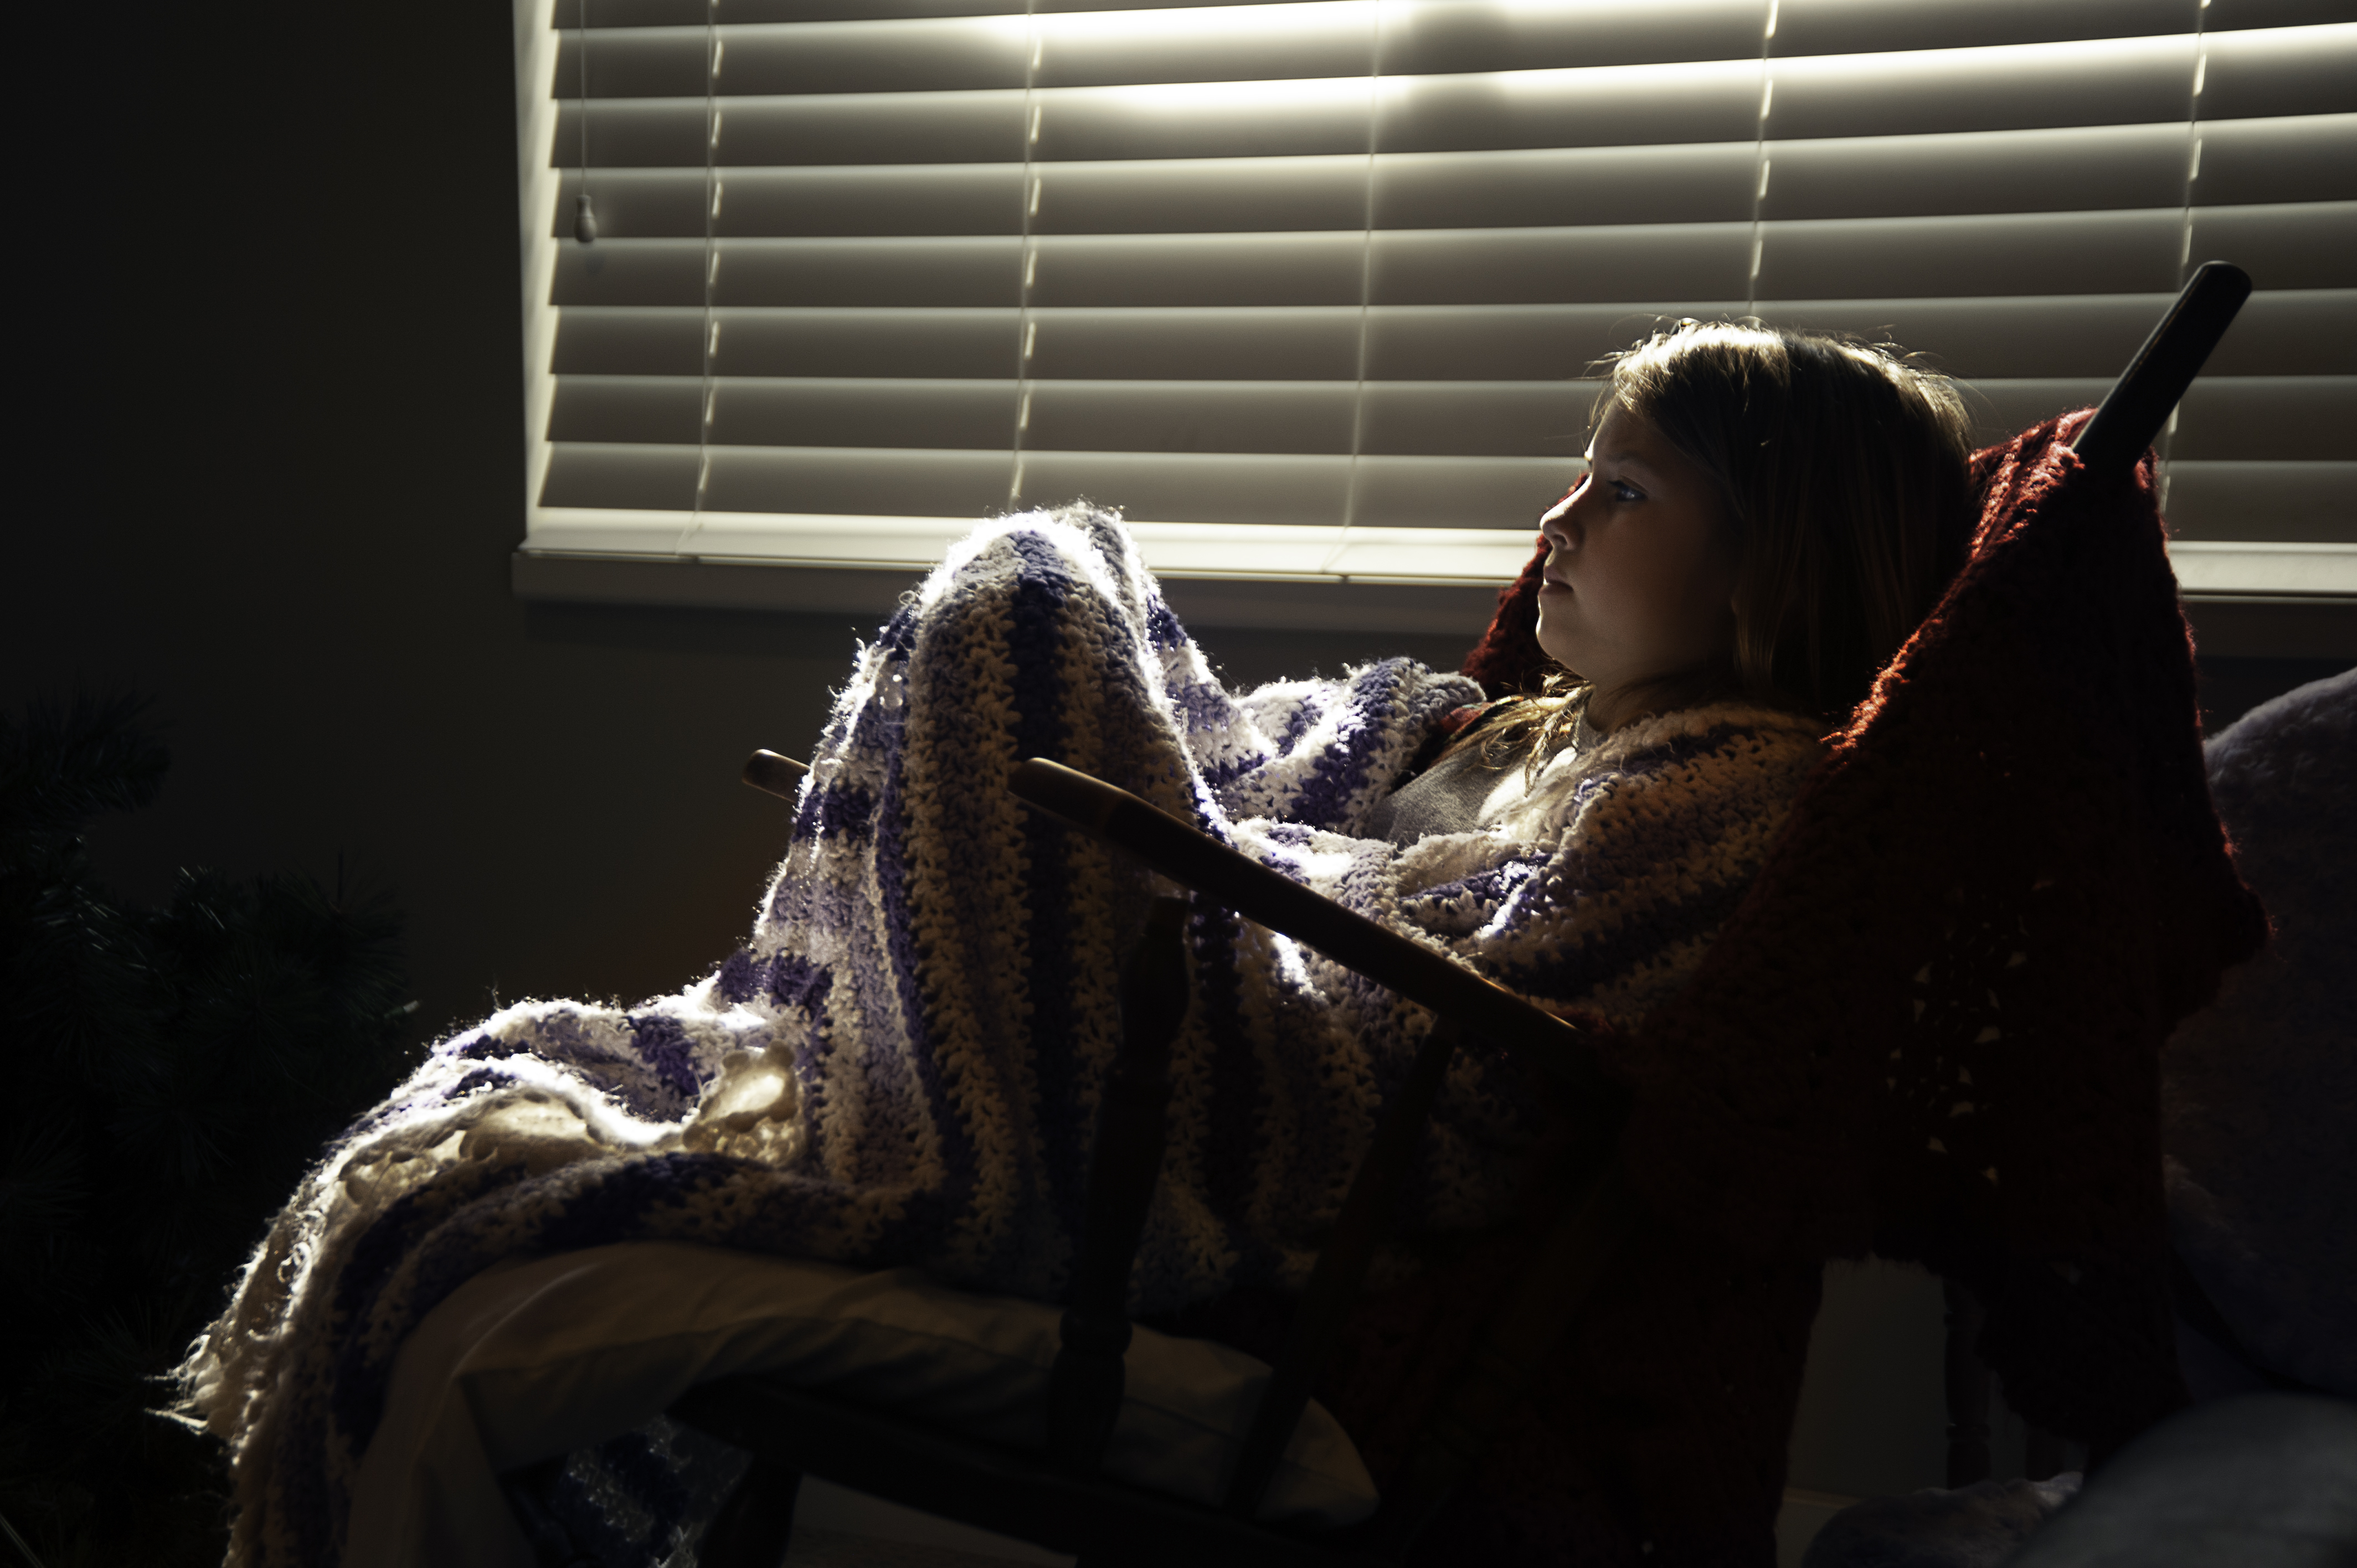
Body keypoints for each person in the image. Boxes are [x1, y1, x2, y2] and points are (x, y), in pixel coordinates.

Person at [173, 321, 1978, 1566]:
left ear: (1773, 569)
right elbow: (1283, 771)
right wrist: (1207, 813)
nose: (1558, 519)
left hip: (1232, 1135)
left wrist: (1195, 863)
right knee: (1058, 588)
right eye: (1578, 477)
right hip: (1204, 1053)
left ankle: (961, 1132)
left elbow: (1495, 1012)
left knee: (1039, 571)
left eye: (1628, 490)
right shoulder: (1515, 736)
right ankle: (932, 1061)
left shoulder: (1744, 790)